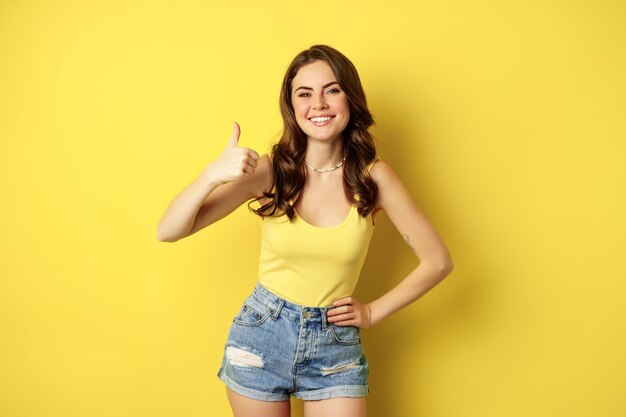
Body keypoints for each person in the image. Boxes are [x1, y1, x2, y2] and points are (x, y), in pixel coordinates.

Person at [157, 44, 454, 417]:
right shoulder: (272, 171)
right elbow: (168, 230)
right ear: (292, 106)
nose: (319, 104)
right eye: (305, 94)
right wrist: (210, 176)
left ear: (350, 98)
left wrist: (373, 313)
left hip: (335, 345)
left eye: (332, 90)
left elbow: (438, 262)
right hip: (261, 335)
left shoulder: (373, 178)